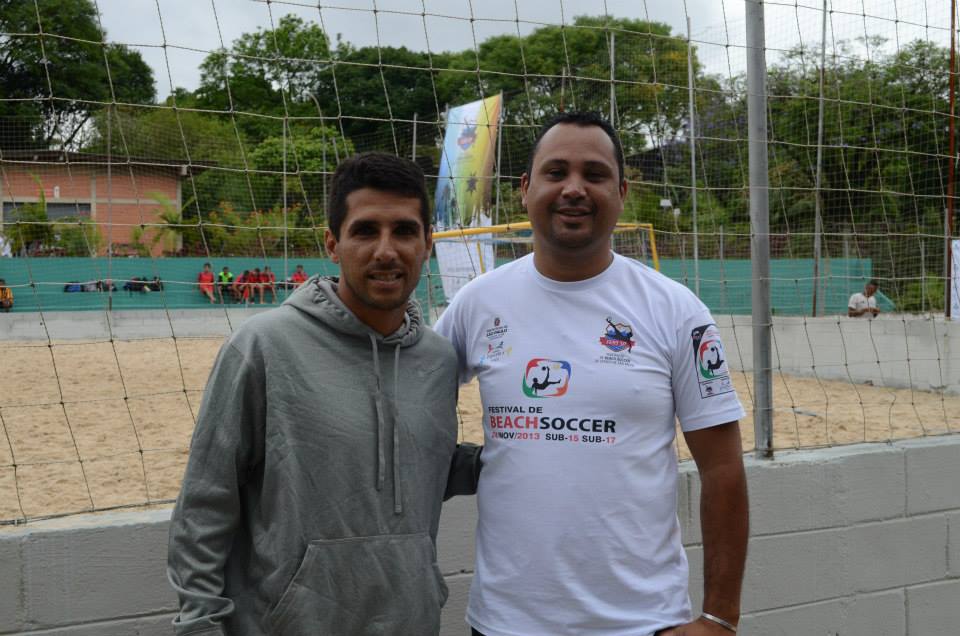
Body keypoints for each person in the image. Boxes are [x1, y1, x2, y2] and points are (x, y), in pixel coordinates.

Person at [435, 112, 749, 636]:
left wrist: (720, 616)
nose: (574, 189)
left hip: (641, 623)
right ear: (525, 189)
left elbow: (722, 469)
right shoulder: (477, 303)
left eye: (595, 174)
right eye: (556, 172)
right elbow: (411, 393)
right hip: (505, 623)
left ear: (621, 193)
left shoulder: (677, 311)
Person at [168, 152, 479, 636]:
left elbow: (420, 465)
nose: (385, 251)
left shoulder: (438, 361)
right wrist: (200, 624)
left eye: (403, 231)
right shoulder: (262, 346)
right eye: (365, 231)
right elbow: (206, 501)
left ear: (426, 244)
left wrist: (508, 457)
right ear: (333, 244)